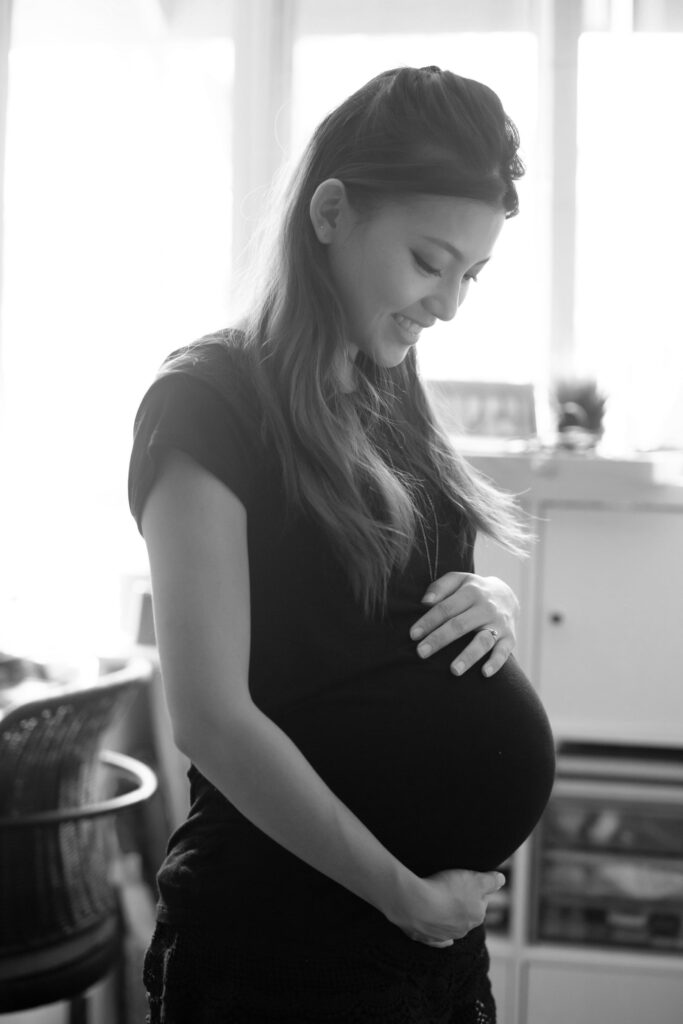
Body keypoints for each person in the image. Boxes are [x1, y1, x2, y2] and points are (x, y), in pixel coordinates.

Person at [129, 65, 555, 1024]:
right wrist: (402, 896)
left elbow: (391, 610)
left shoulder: (384, 378)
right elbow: (212, 719)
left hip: (425, 947)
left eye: (470, 276)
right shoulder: (205, 404)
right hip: (285, 949)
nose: (448, 305)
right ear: (329, 212)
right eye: (429, 262)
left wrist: (490, 603)